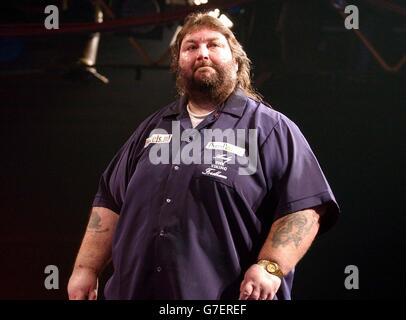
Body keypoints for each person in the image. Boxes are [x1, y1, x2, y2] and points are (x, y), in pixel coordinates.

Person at [67, 12, 339, 300]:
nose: (202, 54)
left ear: (236, 61)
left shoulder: (270, 128)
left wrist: (270, 267)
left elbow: (304, 208)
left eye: (213, 45)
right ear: (178, 63)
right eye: (191, 47)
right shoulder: (152, 128)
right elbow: (110, 201)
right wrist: (86, 268)